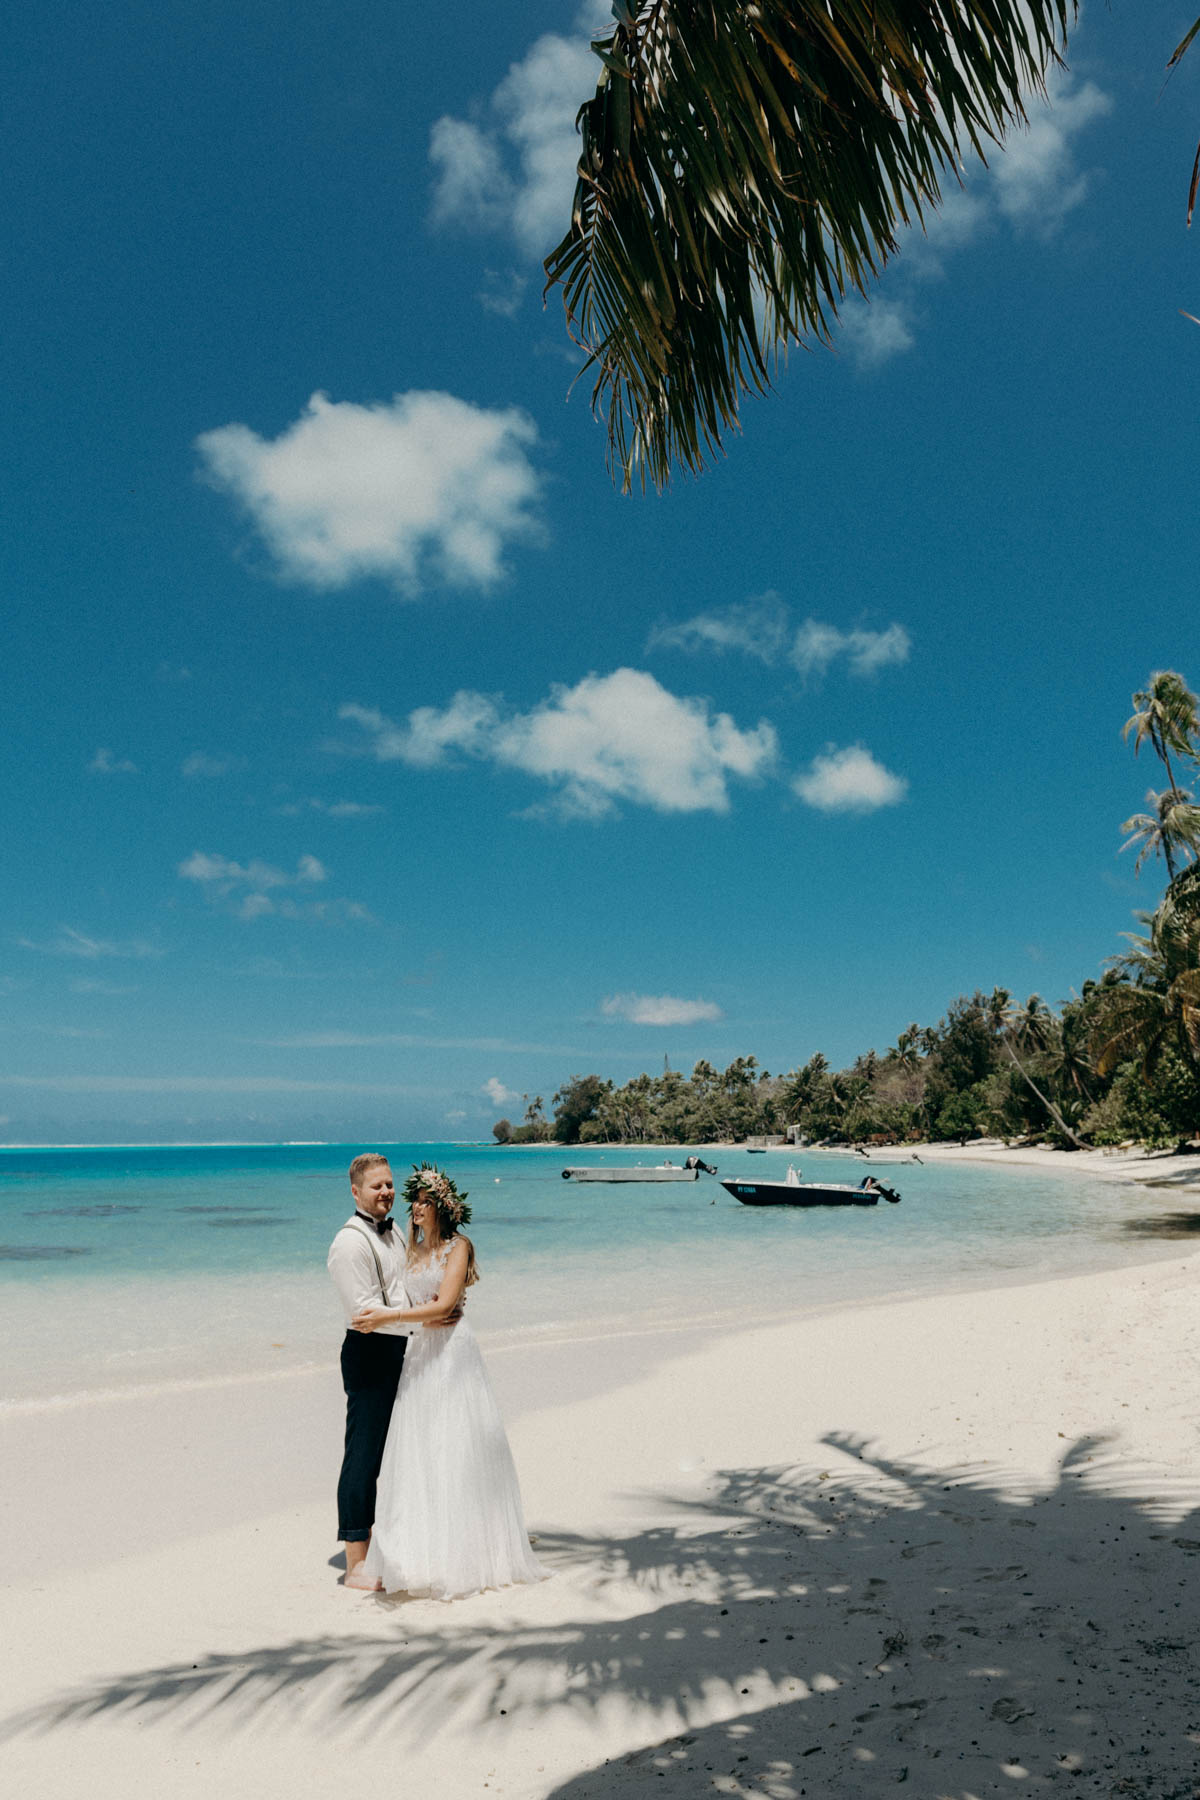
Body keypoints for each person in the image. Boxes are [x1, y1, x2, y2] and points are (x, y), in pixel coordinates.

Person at [351, 1162, 547, 1600]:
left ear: (442, 1206)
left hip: (452, 1351)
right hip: (420, 1351)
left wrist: (391, 1316)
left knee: (456, 1444)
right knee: (420, 1447)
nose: (415, 1208)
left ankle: (468, 1549)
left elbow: (443, 1307)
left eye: (423, 1201)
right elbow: (401, 1291)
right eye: (413, 1201)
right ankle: (418, 1549)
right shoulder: (410, 1250)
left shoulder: (458, 1247)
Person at [326, 1153, 410, 1591]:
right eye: (376, 1186)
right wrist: (427, 1318)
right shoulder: (349, 1243)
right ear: (356, 1191)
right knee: (364, 1452)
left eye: (389, 1184)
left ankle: (385, 1539)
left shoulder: (394, 1230)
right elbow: (365, 1313)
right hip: (370, 1350)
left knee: (399, 1446)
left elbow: (401, 1289)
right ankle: (355, 1562)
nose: (385, 1192)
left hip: (402, 1344)